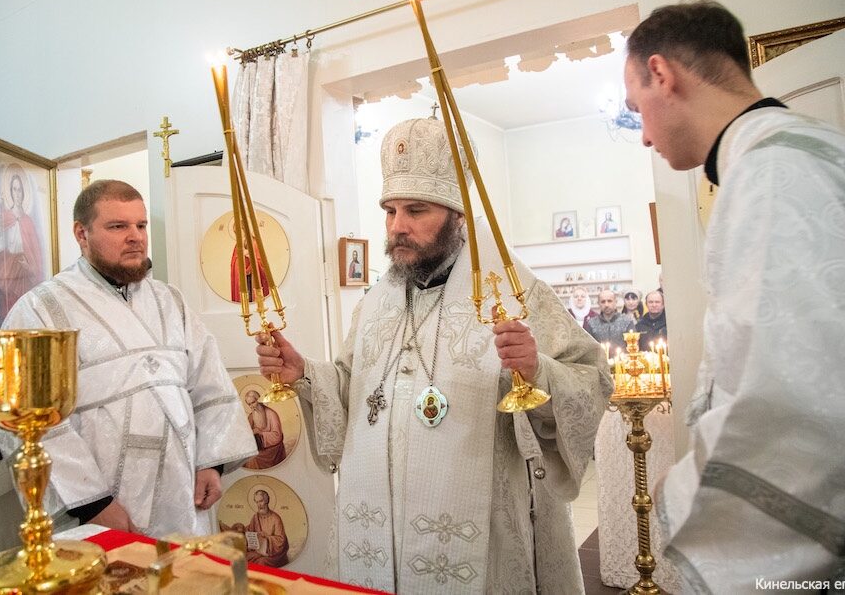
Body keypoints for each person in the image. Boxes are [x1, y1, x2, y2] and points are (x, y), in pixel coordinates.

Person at [256, 117, 611, 593]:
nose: (397, 227)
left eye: (416, 210)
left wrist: (537, 370)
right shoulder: (376, 302)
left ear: (457, 215)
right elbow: (353, 389)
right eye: (390, 211)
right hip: (377, 525)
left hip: (477, 528)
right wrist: (304, 373)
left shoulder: (513, 291)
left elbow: (590, 377)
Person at [624, 0, 845, 590]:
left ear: (661, 73)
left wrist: (685, 488)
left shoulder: (775, 174)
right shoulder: (798, 152)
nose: (643, 136)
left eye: (635, 108)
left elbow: (816, 400)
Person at [0, 179, 256, 537]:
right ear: (81, 233)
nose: (135, 237)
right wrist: (91, 504)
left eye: (141, 225)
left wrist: (211, 463)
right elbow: (30, 420)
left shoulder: (170, 301)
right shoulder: (41, 309)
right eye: (118, 226)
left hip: (184, 497)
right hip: (100, 505)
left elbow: (210, 385)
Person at [0, 170, 45, 327]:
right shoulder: (4, 216)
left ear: (24, 193)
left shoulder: (28, 221)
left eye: (20, 190)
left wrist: (30, 267)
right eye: (14, 189)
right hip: (8, 268)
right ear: (10, 192)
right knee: (8, 308)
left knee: (26, 308)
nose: (17, 194)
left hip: (24, 268)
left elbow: (34, 251)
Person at [241, 490, 289, 568]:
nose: (259, 505)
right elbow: (249, 530)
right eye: (257, 502)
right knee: (243, 557)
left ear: (266, 500)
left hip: (272, 553)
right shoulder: (255, 517)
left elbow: (281, 540)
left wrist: (265, 538)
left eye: (261, 501)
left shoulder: (275, 518)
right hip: (258, 551)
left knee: (262, 562)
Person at [243, 389, 287, 469]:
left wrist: (260, 432)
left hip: (273, 449)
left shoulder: (272, 414)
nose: (252, 406)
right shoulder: (251, 416)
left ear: (258, 400)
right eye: (249, 404)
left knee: (253, 458)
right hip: (258, 447)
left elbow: (277, 436)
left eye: (253, 402)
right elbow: (246, 433)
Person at [583, 289, 634, 356]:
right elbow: (588, 348)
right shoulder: (591, 323)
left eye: (609, 301)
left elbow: (633, 346)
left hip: (623, 361)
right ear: (598, 303)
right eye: (603, 302)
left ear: (615, 302)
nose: (606, 305)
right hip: (600, 361)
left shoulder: (627, 321)